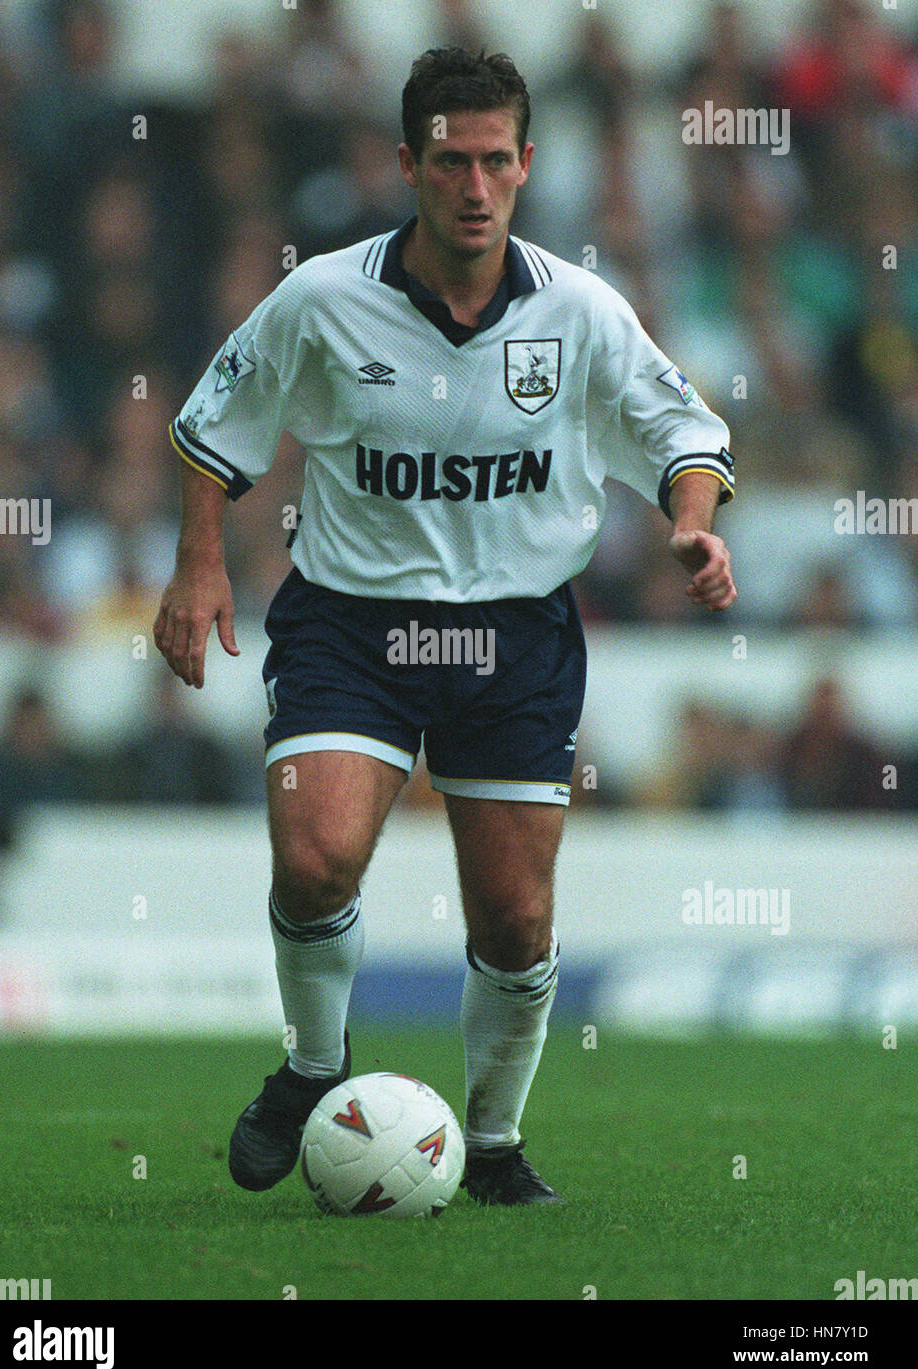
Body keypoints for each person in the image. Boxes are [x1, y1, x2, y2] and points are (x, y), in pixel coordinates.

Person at [154, 48, 737, 1207]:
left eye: (496, 163)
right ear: (408, 164)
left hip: (513, 635)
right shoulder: (321, 297)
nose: (475, 186)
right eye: (451, 162)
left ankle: (496, 1141)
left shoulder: (579, 310)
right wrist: (196, 565)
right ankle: (311, 1070)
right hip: (350, 625)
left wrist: (691, 527)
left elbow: (686, 432)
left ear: (525, 164)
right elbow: (220, 421)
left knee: (515, 920)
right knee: (315, 856)